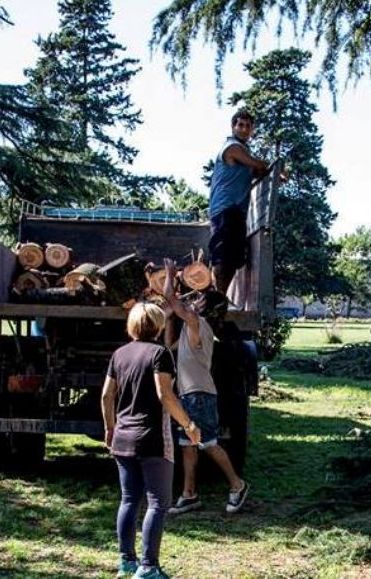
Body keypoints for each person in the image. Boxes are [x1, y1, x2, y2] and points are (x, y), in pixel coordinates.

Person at [101, 303, 201, 579]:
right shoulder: (160, 353)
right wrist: (189, 424)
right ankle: (148, 567)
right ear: (158, 326)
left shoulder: (119, 354)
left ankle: (126, 563)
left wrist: (110, 428)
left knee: (128, 499)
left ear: (131, 326)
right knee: (158, 502)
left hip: (122, 437)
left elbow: (107, 395)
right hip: (153, 439)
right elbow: (165, 395)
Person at [162, 259, 250, 515]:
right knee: (187, 446)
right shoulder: (191, 331)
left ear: (203, 309)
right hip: (189, 394)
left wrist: (168, 274)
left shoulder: (199, 325)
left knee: (208, 443)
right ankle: (189, 494)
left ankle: (238, 484)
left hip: (199, 395)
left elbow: (170, 297)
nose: (194, 300)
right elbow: (169, 346)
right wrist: (169, 318)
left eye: (199, 300)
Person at [208, 109, 269, 295]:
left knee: (234, 259)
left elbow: (257, 171)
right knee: (222, 258)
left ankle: (221, 296)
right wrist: (271, 168)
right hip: (225, 209)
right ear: (233, 126)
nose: (244, 129)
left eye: (248, 126)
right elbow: (259, 165)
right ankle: (216, 297)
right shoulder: (232, 147)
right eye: (240, 125)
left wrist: (275, 176)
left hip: (237, 212)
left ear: (252, 130)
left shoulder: (244, 153)